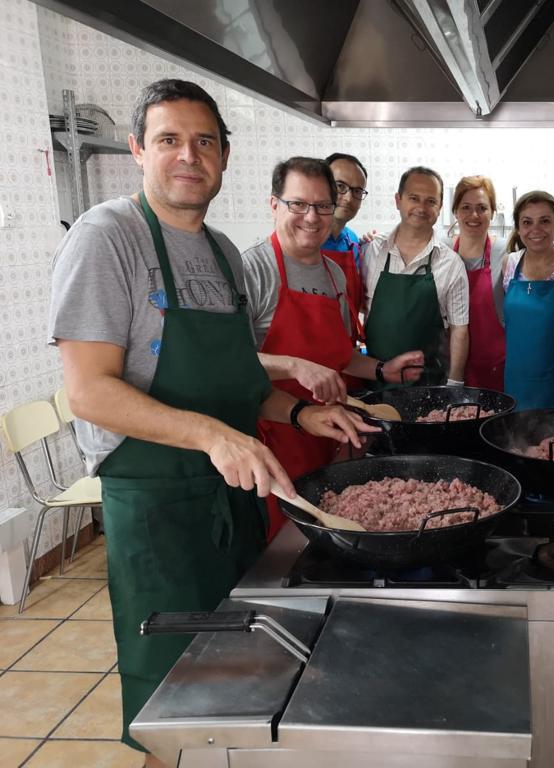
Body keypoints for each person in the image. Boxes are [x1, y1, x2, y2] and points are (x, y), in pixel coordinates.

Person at [48, 80, 373, 763]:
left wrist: (302, 413)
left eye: (204, 141)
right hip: (160, 509)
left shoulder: (224, 253)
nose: (188, 156)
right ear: (138, 150)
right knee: (174, 702)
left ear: (225, 155)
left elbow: (237, 382)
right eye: (168, 139)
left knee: (241, 676)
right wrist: (209, 434)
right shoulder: (107, 237)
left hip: (235, 498)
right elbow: (89, 392)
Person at [242, 156, 423, 540]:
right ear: (274, 204)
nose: (311, 217)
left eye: (322, 206)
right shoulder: (252, 270)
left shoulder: (334, 273)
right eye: (298, 204)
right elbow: (229, 363)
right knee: (284, 549)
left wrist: (382, 369)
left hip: (330, 438)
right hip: (275, 442)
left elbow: (340, 356)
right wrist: (294, 366)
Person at [361, 166, 470, 387]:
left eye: (431, 201)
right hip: (375, 382)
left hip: (429, 387)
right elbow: (358, 308)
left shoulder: (451, 264)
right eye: (414, 198)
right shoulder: (372, 251)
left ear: (440, 207)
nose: (421, 207)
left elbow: (459, 329)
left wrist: (455, 385)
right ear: (398, 200)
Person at [503, 191, 554, 410]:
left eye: (545, 221)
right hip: (516, 380)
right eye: (527, 222)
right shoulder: (509, 264)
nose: (536, 229)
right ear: (518, 228)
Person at [447, 175, 507, 391]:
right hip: (451, 369)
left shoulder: (505, 252)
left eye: (482, 208)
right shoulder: (442, 251)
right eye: (466, 207)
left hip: (496, 370)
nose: (474, 215)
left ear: (493, 212)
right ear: (455, 211)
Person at [321, 152, 369, 343]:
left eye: (357, 191)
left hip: (348, 350)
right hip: (307, 354)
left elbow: (360, 302)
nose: (349, 198)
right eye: (340, 186)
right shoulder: (303, 242)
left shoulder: (353, 242)